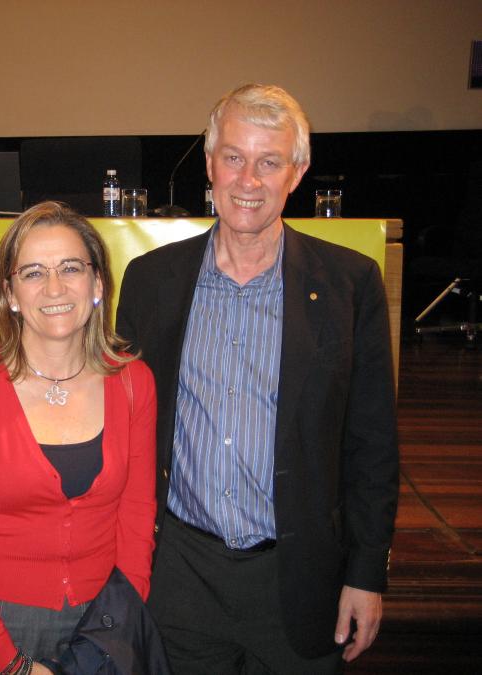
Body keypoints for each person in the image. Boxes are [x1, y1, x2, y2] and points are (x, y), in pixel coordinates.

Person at [116, 84, 399, 674]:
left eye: (269, 162)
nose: (249, 180)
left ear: (296, 173)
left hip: (298, 579)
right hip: (182, 579)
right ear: (211, 163)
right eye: (235, 157)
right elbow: (125, 429)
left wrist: (367, 573)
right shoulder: (151, 281)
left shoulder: (350, 285)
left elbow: (372, 445)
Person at [0, 202, 158, 674]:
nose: (54, 288)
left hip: (100, 618)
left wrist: (116, 626)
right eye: (33, 272)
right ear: (9, 293)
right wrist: (11, 663)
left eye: (70, 268)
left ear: (97, 284)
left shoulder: (134, 383)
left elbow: (137, 518)